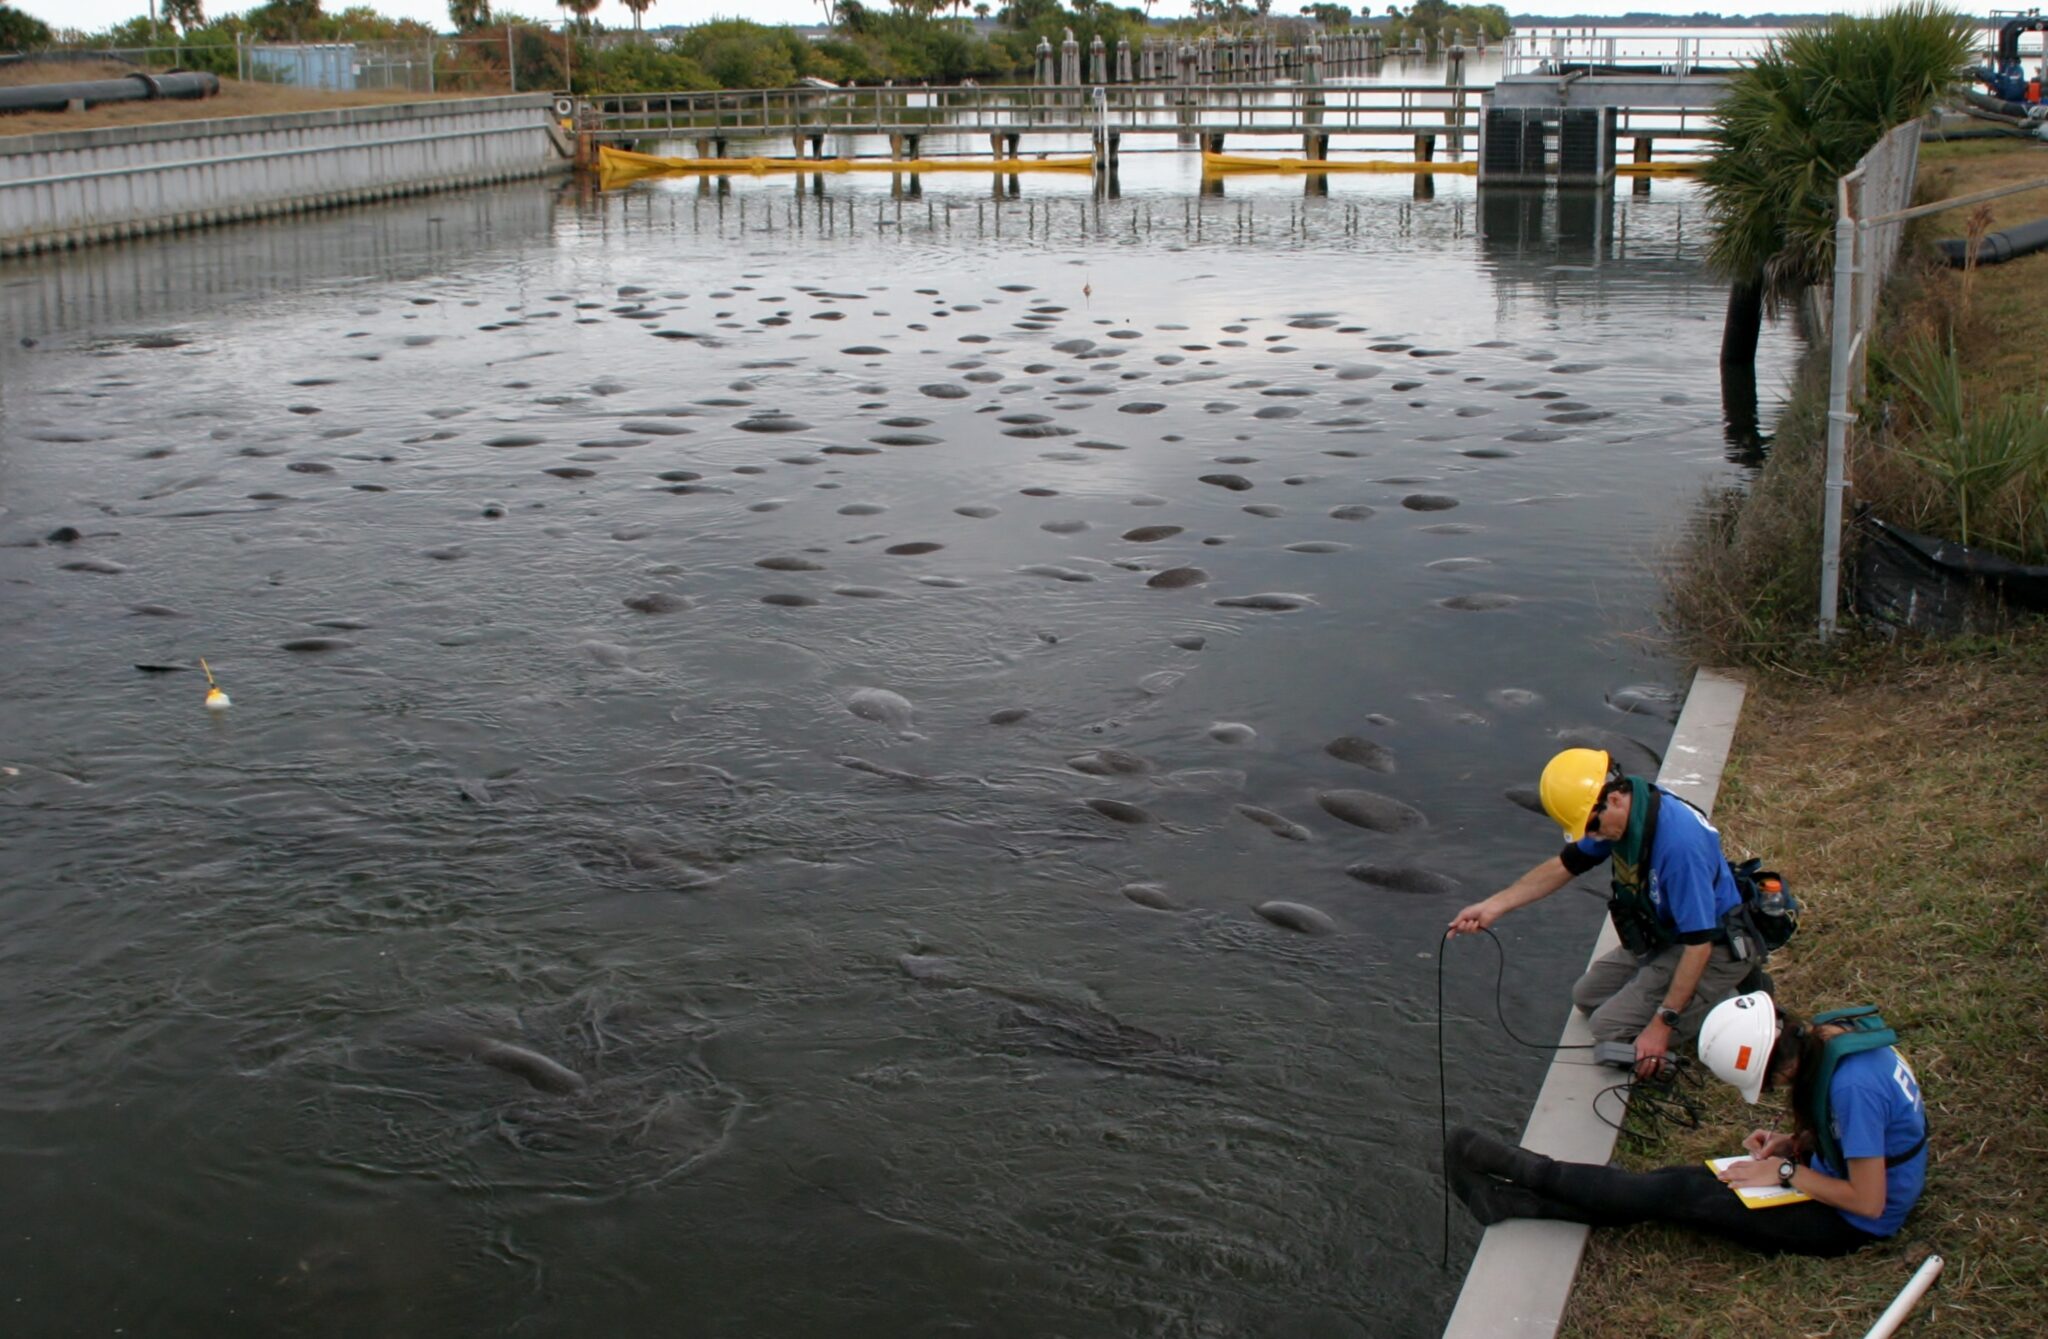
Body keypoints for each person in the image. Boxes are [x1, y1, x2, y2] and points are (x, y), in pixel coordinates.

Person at [1445, 992, 1929, 1256]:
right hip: (1830, 1175)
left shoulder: (1853, 1088)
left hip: (1851, 1223)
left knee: (1680, 1199)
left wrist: (1784, 1173)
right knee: (1674, 1182)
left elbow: (1869, 1202)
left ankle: (1532, 1173)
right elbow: (1862, 1132)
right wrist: (1794, 1144)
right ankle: (1512, 1200)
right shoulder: (1828, 1040)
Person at [1448, 748, 1766, 1078]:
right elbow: (1565, 865)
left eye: (1591, 825)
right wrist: (1492, 907)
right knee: (1586, 997)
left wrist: (1662, 1024)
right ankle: (1689, 993)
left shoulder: (1679, 847)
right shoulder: (1624, 812)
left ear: (1614, 799)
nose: (1592, 836)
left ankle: (1730, 1001)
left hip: (1714, 948)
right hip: (1669, 934)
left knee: (1610, 1029)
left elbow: (1699, 944)